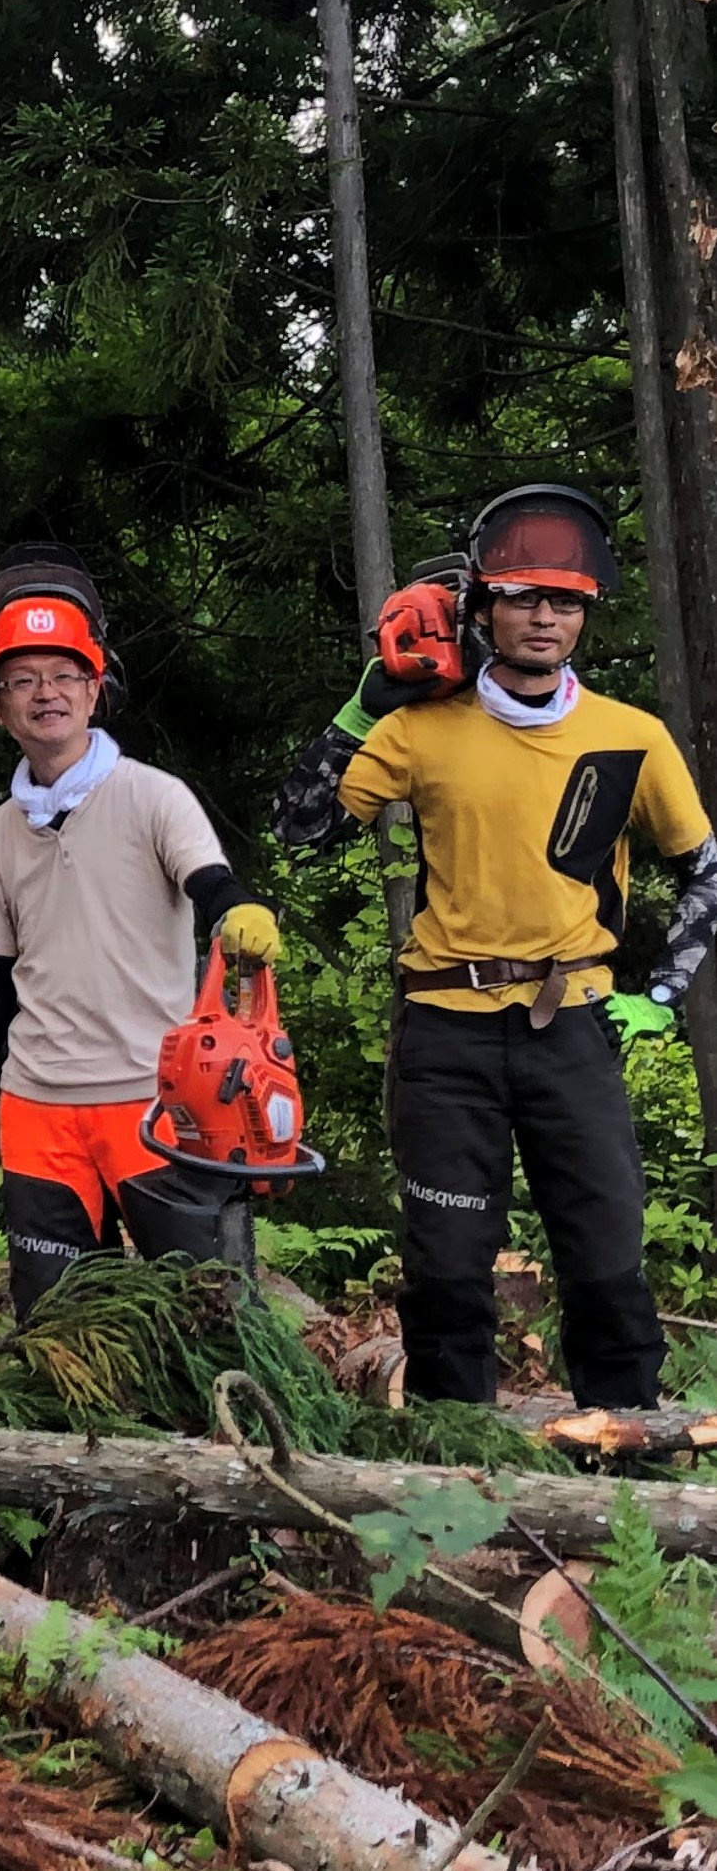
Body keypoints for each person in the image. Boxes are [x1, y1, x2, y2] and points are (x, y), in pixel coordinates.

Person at [274, 486, 716, 1408]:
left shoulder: (630, 737)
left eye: (564, 601)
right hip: (444, 1031)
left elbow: (706, 869)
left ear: (587, 611)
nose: (544, 617)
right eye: (522, 597)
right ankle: (451, 1460)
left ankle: (630, 1457)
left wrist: (662, 995)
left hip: (575, 1026)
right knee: (448, 1261)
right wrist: (359, 713)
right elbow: (299, 828)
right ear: (482, 607)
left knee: (604, 1250)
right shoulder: (420, 728)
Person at [0, 547, 282, 1320]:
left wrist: (237, 911)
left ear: (96, 691)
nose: (46, 695)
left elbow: (211, 885)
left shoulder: (154, 799)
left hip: (155, 1101)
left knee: (207, 1312)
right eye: (22, 681)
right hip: (37, 1109)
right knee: (61, 1327)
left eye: (64, 677)